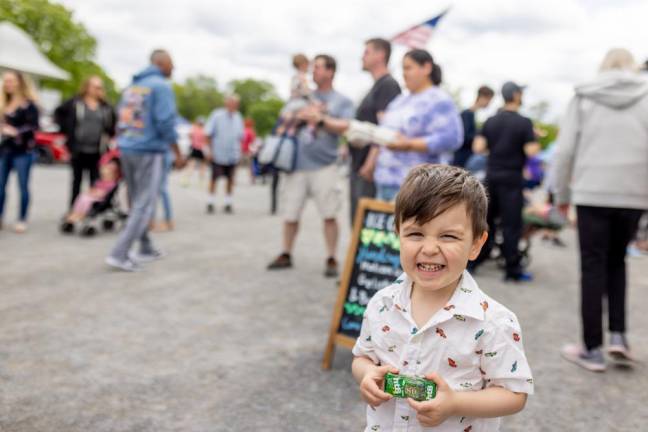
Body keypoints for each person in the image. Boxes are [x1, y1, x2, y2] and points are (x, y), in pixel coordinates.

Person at [352, 164, 533, 432]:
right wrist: (367, 375)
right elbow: (362, 357)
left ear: (476, 244)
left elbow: (514, 394)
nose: (429, 249)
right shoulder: (382, 303)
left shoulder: (493, 322)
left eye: (448, 236)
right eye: (415, 233)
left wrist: (455, 404)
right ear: (398, 234)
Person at [552, 48, 648, 371]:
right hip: (634, 195)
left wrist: (561, 194)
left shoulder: (584, 95)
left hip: (592, 192)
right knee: (617, 263)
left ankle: (591, 348)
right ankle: (619, 336)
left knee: (592, 267)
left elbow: (565, 151)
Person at [266, 54, 354, 277]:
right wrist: (300, 114)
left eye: (318, 67)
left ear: (331, 71)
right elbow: (284, 116)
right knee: (290, 213)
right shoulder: (301, 95)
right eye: (313, 67)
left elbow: (346, 127)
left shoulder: (342, 101)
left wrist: (320, 117)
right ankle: (286, 252)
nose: (313, 71)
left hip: (325, 165)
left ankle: (331, 257)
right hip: (296, 164)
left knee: (329, 214)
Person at [106, 49, 185, 272]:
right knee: (144, 204)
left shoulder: (132, 87)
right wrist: (178, 152)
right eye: (171, 63)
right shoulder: (161, 86)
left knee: (135, 201)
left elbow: (121, 120)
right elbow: (165, 123)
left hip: (128, 148)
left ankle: (146, 247)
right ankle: (119, 253)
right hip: (150, 150)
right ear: (160, 62)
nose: (174, 68)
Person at [471, 82, 541, 282]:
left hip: (491, 176)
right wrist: (533, 138)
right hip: (512, 178)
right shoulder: (524, 122)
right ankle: (512, 270)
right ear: (517, 95)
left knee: (486, 222)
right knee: (511, 225)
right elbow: (531, 151)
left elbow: (478, 147)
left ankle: (474, 262)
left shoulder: (491, 121)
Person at [373, 49, 463, 202]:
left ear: (426, 68)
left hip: (417, 187)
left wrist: (409, 144)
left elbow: (452, 138)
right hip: (385, 181)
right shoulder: (400, 101)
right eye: (403, 69)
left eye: (408, 68)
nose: (404, 73)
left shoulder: (439, 99)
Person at [349, 37, 401, 223]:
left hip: (370, 167)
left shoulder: (387, 85)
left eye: (366, 52)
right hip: (359, 162)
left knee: (365, 223)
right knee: (356, 220)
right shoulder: (375, 87)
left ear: (381, 55)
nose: (362, 57)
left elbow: (385, 129)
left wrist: (371, 161)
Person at [54, 75, 116, 208]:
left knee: (95, 182)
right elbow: (59, 113)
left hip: (97, 151)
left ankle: (90, 212)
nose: (98, 90)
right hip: (78, 149)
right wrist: (67, 131)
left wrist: (110, 138)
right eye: (95, 87)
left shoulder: (105, 107)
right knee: (76, 182)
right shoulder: (76, 102)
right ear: (87, 87)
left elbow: (112, 125)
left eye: (100, 87)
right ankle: (73, 211)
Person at [0, 70, 39, 233]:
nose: (8, 84)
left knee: (23, 185)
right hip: (4, 150)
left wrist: (15, 131)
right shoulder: (3, 103)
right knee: (1, 186)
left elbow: (34, 127)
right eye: (6, 81)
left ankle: (22, 218)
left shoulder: (28, 104)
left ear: (19, 83)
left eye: (11, 81)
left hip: (23, 151)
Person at [204, 94, 244, 214]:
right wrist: (209, 151)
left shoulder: (238, 117)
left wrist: (240, 153)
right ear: (226, 103)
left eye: (235, 103)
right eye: (231, 102)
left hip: (232, 154)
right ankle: (210, 201)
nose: (233, 105)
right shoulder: (217, 115)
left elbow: (240, 138)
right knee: (214, 178)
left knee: (230, 179)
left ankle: (228, 202)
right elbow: (208, 134)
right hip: (218, 153)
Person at [62, 157, 121, 228]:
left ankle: (82, 214)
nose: (105, 174)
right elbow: (93, 188)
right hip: (93, 196)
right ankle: (75, 214)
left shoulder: (112, 184)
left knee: (87, 200)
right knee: (82, 197)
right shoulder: (100, 181)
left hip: (99, 199)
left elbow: (105, 194)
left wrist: (96, 193)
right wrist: (91, 192)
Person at [453, 85, 494, 168]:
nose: (489, 103)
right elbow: (465, 137)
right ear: (482, 97)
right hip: (462, 159)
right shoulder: (467, 114)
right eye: (489, 100)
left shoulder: (475, 114)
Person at [182, 117, 208, 186]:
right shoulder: (204, 131)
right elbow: (206, 140)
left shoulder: (194, 129)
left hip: (194, 148)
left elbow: (189, 136)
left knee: (191, 165)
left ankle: (186, 180)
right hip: (201, 149)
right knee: (202, 166)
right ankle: (201, 182)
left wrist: (193, 142)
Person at [241, 118, 257, 184]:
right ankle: (252, 178)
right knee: (250, 165)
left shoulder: (243, 130)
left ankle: (232, 178)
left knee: (236, 165)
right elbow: (253, 141)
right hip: (248, 150)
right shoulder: (252, 131)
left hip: (242, 149)